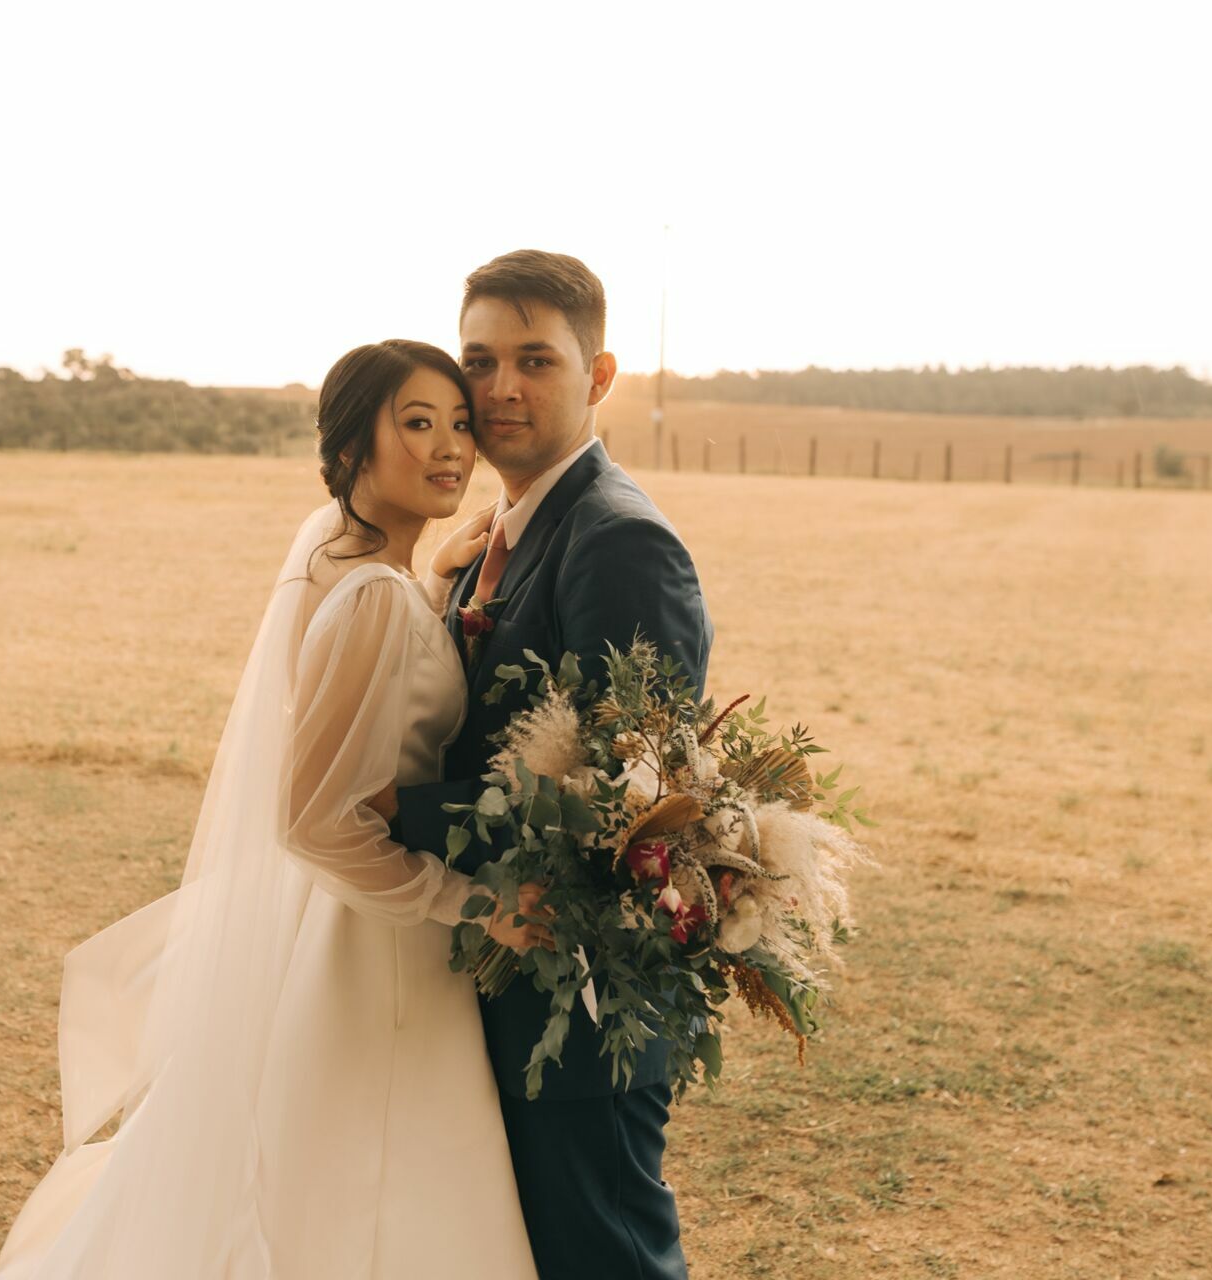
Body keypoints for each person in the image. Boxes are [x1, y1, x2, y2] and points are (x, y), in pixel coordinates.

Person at [0, 339, 545, 1279]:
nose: (451, 447)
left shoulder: (328, 545)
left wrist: (433, 579)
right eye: (416, 424)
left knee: (315, 1170)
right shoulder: (372, 593)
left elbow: (364, 654)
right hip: (381, 942)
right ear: (349, 451)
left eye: (458, 423)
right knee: (388, 1178)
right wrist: (473, 903)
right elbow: (316, 820)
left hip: (322, 924)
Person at [379, 250, 713, 1280]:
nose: (502, 388)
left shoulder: (620, 543)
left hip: (580, 1014)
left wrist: (393, 808)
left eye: (537, 359)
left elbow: (626, 800)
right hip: (500, 977)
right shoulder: (503, 534)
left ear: (600, 376)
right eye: (479, 360)